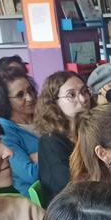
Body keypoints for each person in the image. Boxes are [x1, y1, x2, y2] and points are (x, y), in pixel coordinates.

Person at [36, 70, 94, 201]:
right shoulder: (50, 142)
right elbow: (70, 186)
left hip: (91, 197)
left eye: (84, 91)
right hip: (70, 208)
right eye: (71, 95)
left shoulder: (89, 130)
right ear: (54, 102)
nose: (83, 99)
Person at [0, 66, 41, 195]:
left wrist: (38, 156)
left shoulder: (43, 117)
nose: (30, 98)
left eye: (30, 90)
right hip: (42, 198)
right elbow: (30, 174)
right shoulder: (4, 131)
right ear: (4, 101)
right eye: (20, 95)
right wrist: (51, 153)